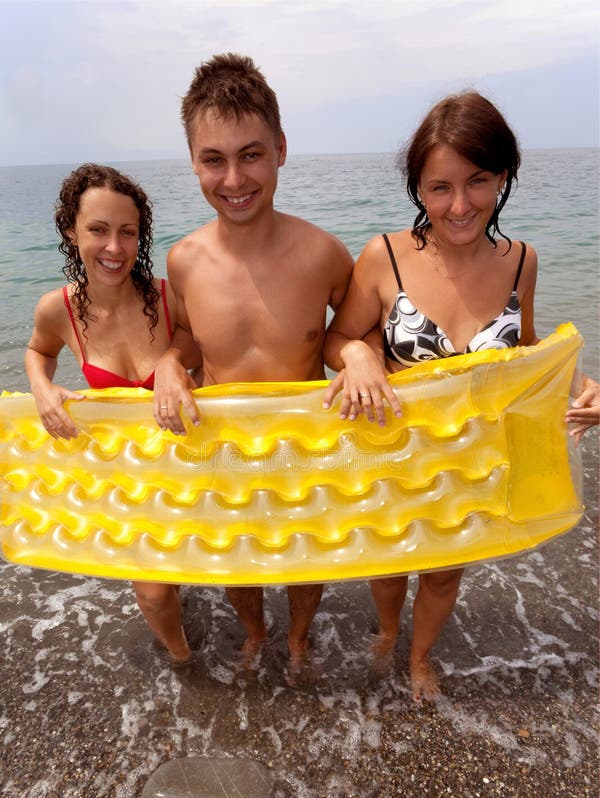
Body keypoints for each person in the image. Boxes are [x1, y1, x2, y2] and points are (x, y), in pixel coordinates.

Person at [322, 91, 600, 701]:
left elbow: (526, 359)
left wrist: (581, 388)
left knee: (445, 575)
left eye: (477, 181)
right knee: (389, 568)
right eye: (439, 187)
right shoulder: (384, 257)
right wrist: (361, 353)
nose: (459, 204)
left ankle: (421, 657)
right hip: (392, 452)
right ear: (418, 188)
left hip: (468, 460)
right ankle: (389, 630)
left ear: (503, 176)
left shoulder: (522, 261)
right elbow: (336, 336)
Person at [151, 53, 354, 664]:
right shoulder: (184, 260)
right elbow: (189, 340)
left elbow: (356, 333)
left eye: (251, 154)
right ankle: (257, 632)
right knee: (236, 555)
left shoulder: (324, 253)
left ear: (281, 149)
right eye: (214, 159)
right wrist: (166, 364)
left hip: (304, 446)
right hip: (223, 444)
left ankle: (295, 636)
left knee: (306, 554)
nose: (234, 179)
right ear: (193, 163)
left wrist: (361, 359)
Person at [25, 163, 197, 666]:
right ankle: (184, 660)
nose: (115, 248)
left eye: (128, 232)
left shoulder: (167, 298)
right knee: (153, 594)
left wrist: (171, 360)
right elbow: (38, 353)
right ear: (70, 231)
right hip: (130, 476)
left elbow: (196, 343)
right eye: (98, 230)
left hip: (187, 463)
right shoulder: (57, 310)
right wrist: (41, 389)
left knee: (207, 570)